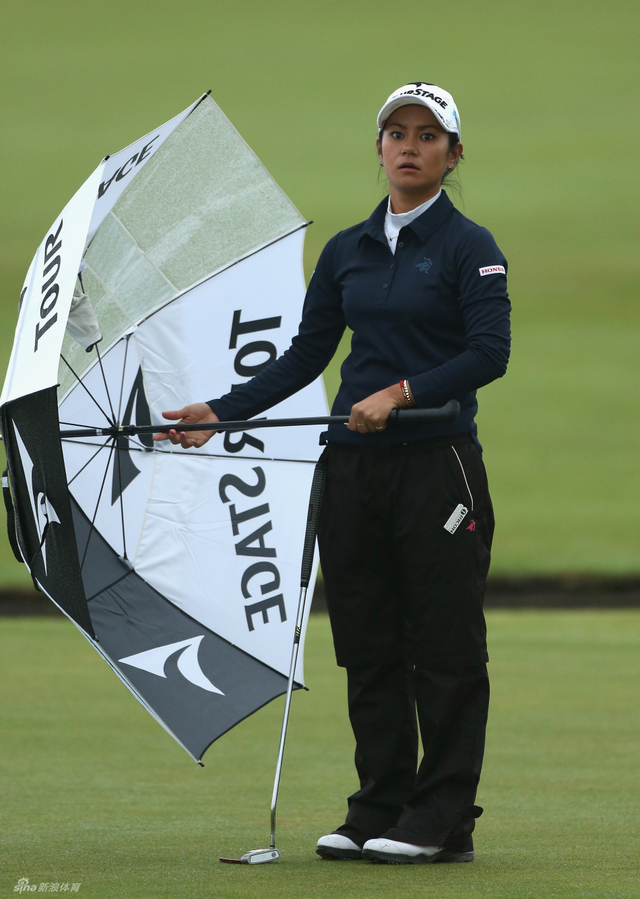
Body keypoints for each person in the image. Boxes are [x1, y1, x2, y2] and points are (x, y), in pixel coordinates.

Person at [154, 81, 511, 865]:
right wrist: (222, 410)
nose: (409, 146)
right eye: (396, 133)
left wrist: (401, 391)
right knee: (369, 642)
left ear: (453, 155)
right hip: (351, 470)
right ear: (379, 148)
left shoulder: (469, 247)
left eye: (427, 135)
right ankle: (378, 803)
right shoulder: (348, 249)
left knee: (444, 647)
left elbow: (489, 353)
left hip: (437, 468)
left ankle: (442, 816)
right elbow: (309, 355)